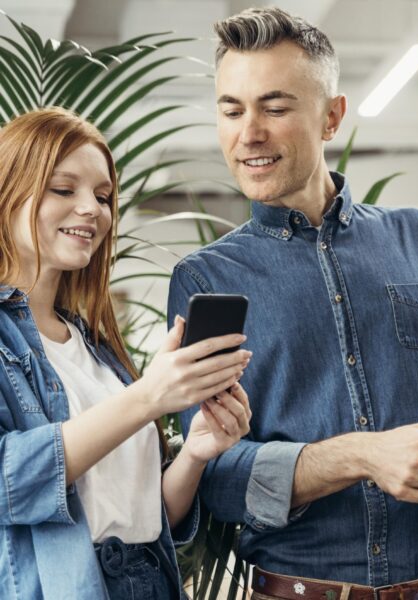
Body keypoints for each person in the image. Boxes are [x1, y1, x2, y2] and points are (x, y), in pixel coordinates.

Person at [167, 6, 418, 599]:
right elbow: (213, 475)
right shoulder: (206, 278)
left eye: (274, 107)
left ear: (330, 117)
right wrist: (359, 456)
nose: (249, 133)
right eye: (231, 109)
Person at [0, 106, 253, 600]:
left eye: (102, 196)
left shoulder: (93, 347)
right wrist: (147, 398)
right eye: (63, 189)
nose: (92, 209)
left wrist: (197, 452)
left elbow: (147, 515)